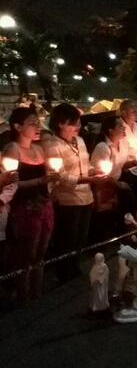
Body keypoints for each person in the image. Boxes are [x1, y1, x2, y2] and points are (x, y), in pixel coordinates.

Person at [4, 107, 59, 303]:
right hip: (25, 208)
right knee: (27, 252)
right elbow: (10, 183)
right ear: (18, 126)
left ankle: (38, 291)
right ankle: (23, 294)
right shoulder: (13, 149)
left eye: (38, 122)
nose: (38, 127)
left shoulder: (38, 148)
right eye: (32, 123)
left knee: (42, 250)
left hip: (43, 204)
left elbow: (47, 177)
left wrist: (53, 179)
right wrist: (41, 181)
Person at [45, 103, 105, 282]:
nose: (78, 126)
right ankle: (64, 273)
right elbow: (59, 176)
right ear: (60, 123)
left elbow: (85, 165)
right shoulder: (53, 145)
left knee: (80, 237)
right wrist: (87, 179)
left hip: (86, 196)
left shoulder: (79, 141)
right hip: (67, 199)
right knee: (67, 238)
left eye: (78, 122)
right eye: (74, 123)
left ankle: (75, 268)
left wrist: (95, 171)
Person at [90, 116, 135, 239]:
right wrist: (119, 184)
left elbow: (121, 164)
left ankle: (122, 234)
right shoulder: (103, 147)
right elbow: (98, 173)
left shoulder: (123, 144)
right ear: (111, 130)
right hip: (103, 185)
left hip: (115, 182)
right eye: (120, 125)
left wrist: (136, 161)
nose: (124, 128)